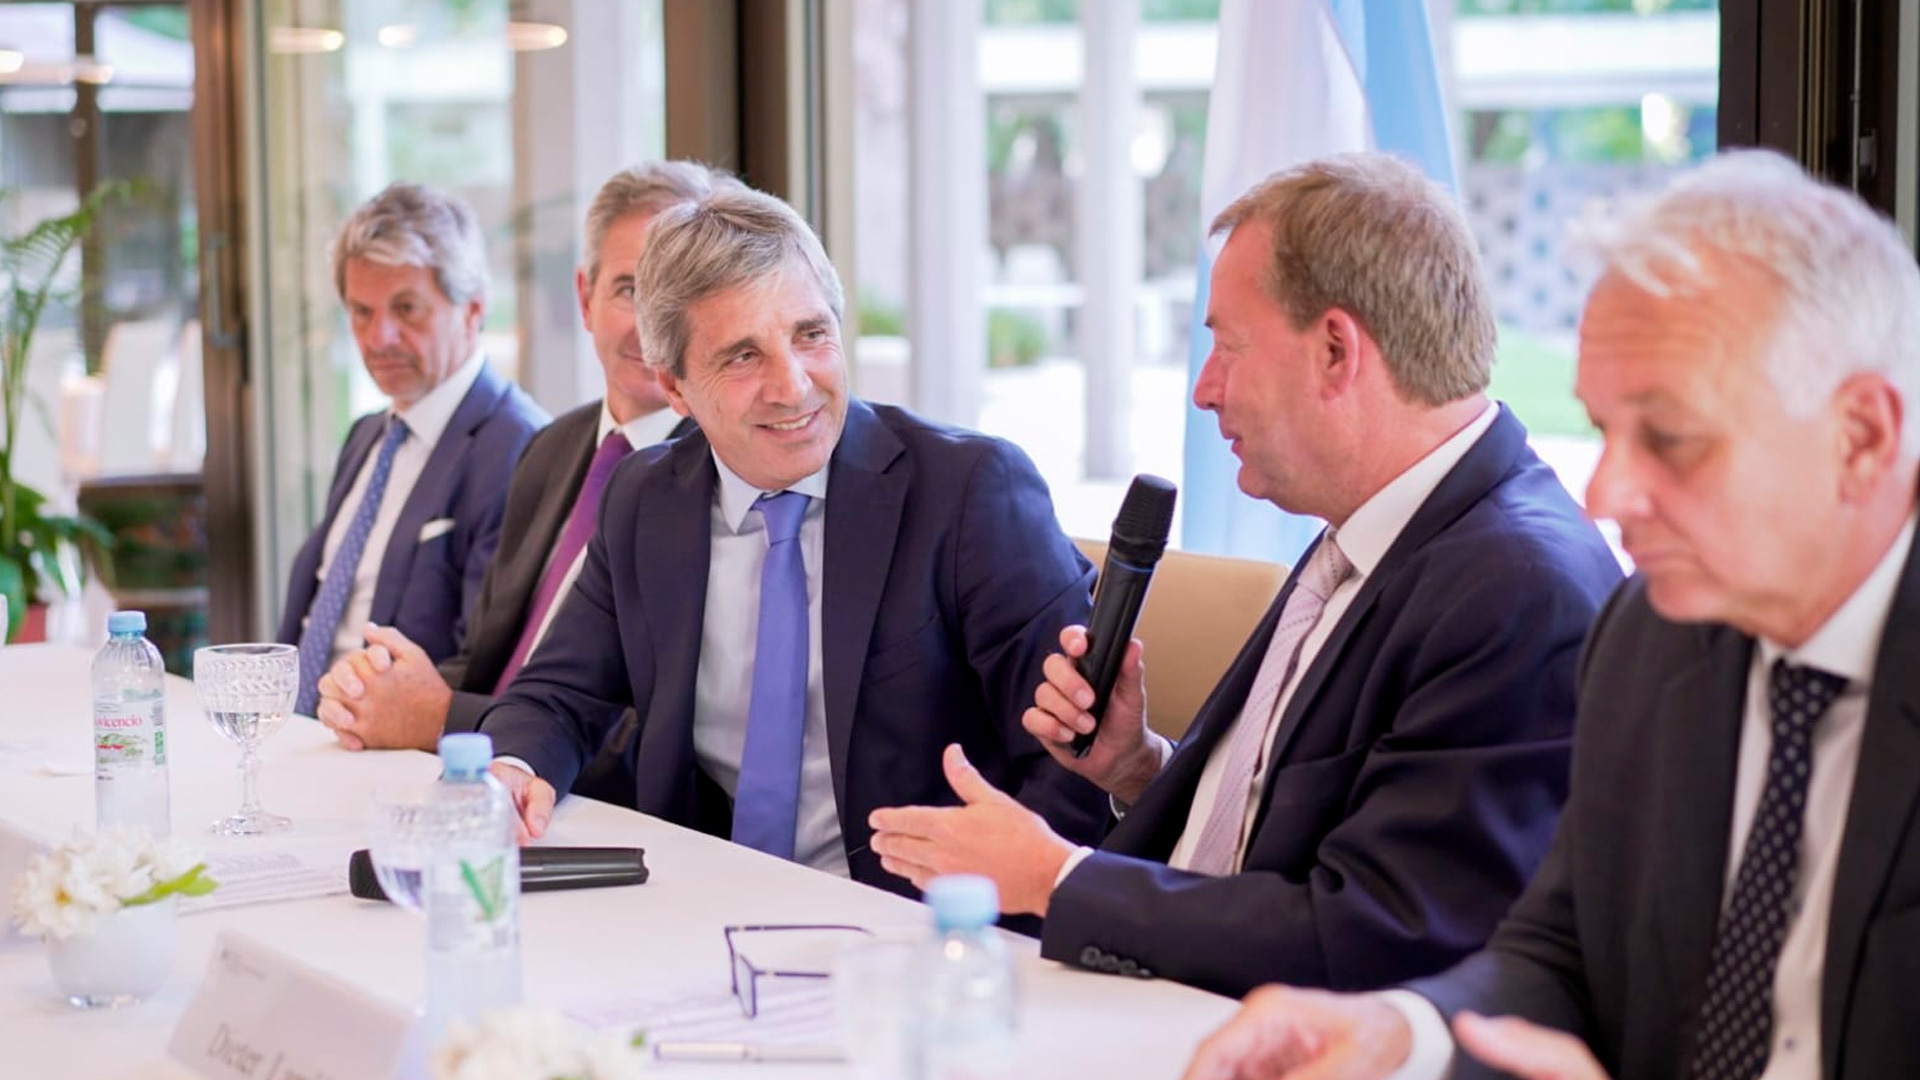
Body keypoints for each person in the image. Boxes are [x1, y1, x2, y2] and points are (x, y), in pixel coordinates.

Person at [1176, 150, 1920, 1080]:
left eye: (1671, 438)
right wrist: (1405, 1033)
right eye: (1604, 431)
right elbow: (1557, 952)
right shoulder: (1652, 639)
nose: (1606, 494)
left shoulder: (1574, 600)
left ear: (1862, 436)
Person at [866, 152, 1621, 994]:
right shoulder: (1374, 526)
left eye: (1227, 345)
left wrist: (1056, 877)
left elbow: (1384, 937)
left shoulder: (1518, 592)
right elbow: (1283, 836)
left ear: (1335, 351)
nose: (1204, 389)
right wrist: (1137, 769)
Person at [476, 184, 1108, 893]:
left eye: (811, 335)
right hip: (702, 902)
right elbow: (557, 694)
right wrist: (512, 768)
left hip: (916, 916)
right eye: (743, 356)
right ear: (675, 387)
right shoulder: (645, 499)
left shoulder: (970, 492)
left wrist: (981, 921)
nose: (794, 386)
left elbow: (1074, 763)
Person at [311, 164, 722, 797]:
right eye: (629, 289)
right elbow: (488, 658)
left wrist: (443, 718)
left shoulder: (722, 479)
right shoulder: (553, 449)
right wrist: (379, 691)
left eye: (681, 295)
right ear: (584, 299)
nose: (653, 323)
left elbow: (659, 738)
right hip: (469, 782)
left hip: (583, 804)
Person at [277, 182, 547, 717]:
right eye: (361, 312)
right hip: (298, 728)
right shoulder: (367, 436)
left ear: (473, 310)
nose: (380, 338)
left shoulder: (521, 446)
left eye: (407, 309)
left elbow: (486, 661)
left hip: (397, 744)